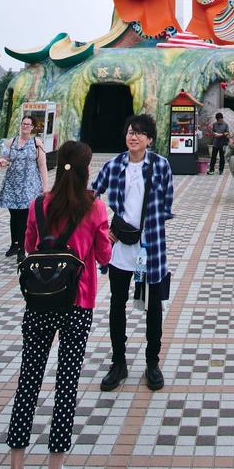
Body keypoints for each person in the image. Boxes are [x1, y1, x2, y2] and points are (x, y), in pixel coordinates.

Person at [3, 140, 112, 469]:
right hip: (77, 302)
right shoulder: (95, 207)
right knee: (67, 384)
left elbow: (30, 247)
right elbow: (103, 255)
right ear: (85, 170)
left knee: (28, 381)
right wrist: (107, 235)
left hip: (39, 302)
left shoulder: (38, 205)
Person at [93, 115, 174, 393]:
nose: (133, 137)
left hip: (150, 246)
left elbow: (167, 204)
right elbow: (93, 194)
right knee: (117, 303)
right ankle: (118, 362)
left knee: (153, 307)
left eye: (140, 133)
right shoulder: (114, 165)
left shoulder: (161, 166)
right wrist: (106, 228)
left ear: (150, 139)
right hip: (119, 248)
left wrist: (145, 226)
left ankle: (152, 362)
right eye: (130, 132)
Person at [0, 115, 49, 257]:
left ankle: (22, 247)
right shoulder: (10, 142)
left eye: (28, 124)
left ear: (32, 127)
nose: (25, 126)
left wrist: (45, 186)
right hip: (12, 184)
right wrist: (1, 161)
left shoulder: (36, 143)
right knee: (14, 215)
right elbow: (3, 158)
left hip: (29, 185)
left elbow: (42, 165)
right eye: (23, 124)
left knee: (25, 216)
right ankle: (14, 244)